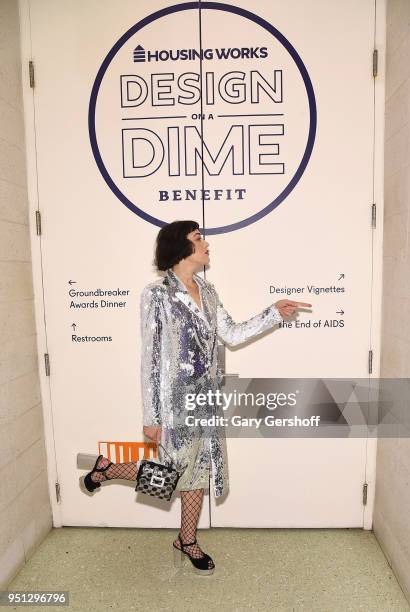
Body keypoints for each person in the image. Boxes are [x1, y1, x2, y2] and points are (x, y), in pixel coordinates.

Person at [80, 219, 312, 575]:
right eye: (198, 238)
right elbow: (151, 359)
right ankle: (107, 469)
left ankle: (186, 539)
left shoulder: (209, 291)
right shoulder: (156, 295)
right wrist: (152, 416)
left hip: (207, 402)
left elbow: (232, 334)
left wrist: (272, 314)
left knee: (198, 472)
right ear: (180, 247)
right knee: (168, 474)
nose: (206, 244)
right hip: (174, 403)